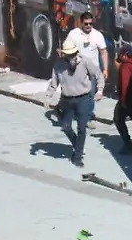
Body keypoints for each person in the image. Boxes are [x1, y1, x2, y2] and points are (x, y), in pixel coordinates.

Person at [44, 40, 105, 168]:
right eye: (68, 55)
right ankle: (78, 146)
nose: (71, 57)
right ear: (64, 55)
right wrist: (48, 97)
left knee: (81, 128)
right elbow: (53, 83)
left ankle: (77, 157)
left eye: (73, 54)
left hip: (83, 98)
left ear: (76, 52)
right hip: (66, 99)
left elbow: (98, 75)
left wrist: (99, 90)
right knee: (66, 126)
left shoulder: (85, 62)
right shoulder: (58, 66)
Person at [64, 11, 110, 128]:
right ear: (81, 23)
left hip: (92, 71)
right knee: (76, 94)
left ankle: (88, 117)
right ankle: (75, 112)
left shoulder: (97, 35)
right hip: (77, 70)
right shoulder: (74, 34)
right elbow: (66, 48)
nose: (88, 26)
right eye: (86, 24)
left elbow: (103, 52)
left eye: (90, 23)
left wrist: (105, 69)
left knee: (90, 94)